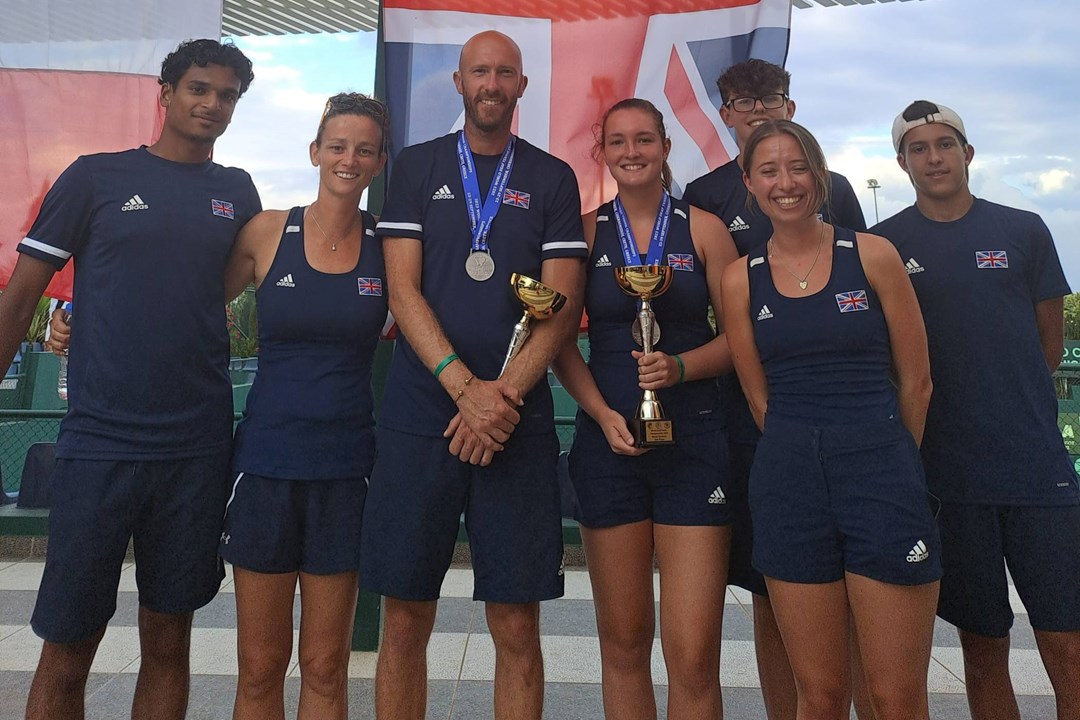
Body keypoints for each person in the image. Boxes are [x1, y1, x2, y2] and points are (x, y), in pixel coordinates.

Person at [0, 39, 260, 720]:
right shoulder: (94, 177)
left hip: (196, 448)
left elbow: (219, 291)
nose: (212, 104)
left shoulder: (237, 191)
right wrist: (69, 318)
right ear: (166, 93)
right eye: (199, 88)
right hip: (100, 445)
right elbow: (23, 292)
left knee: (169, 641)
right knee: (68, 645)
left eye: (227, 94)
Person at [359, 30, 587, 720]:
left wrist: (502, 400)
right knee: (404, 619)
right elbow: (402, 291)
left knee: (516, 623)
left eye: (505, 73)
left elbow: (562, 301)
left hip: (517, 420)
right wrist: (467, 390)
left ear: (522, 87)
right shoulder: (417, 167)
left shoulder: (552, 177)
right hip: (420, 415)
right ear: (459, 83)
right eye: (479, 71)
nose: (492, 83)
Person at [720, 119, 940, 720]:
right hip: (791, 482)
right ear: (750, 182)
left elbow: (916, 381)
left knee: (895, 696)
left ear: (820, 175)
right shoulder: (739, 279)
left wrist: (887, 457)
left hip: (880, 474)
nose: (785, 182)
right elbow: (759, 399)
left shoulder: (872, 256)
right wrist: (806, 452)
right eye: (769, 170)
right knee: (817, 695)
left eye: (798, 167)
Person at [874, 100, 1080, 720]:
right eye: (918, 148)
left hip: (1036, 471)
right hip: (948, 477)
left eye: (944, 144)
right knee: (983, 646)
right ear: (902, 162)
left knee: (1067, 642)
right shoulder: (886, 245)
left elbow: (1047, 346)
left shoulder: (1024, 230)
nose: (932, 157)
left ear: (968, 153)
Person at [682, 58, 868, 720]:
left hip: (842, 413)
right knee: (771, 584)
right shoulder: (703, 195)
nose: (758, 112)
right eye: (743, 103)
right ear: (725, 114)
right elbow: (694, 308)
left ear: (790, 107)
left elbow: (865, 291)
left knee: (852, 584)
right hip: (749, 416)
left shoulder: (834, 188)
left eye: (771, 100)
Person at [552, 98, 738, 718]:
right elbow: (555, 341)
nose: (632, 152)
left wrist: (681, 367)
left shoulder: (705, 229)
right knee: (624, 645)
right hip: (610, 449)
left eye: (645, 140)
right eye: (618, 141)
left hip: (695, 445)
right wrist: (601, 412)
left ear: (665, 147)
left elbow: (745, 337)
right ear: (601, 152)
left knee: (692, 653)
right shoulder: (581, 232)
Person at [218, 93, 388, 720]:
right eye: (337, 146)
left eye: (363, 149)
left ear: (378, 162)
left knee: (324, 666)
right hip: (265, 467)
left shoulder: (387, 246)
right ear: (315, 152)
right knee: (260, 667)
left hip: (345, 470)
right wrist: (78, 321)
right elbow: (182, 304)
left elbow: (436, 317)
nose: (349, 159)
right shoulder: (267, 231)